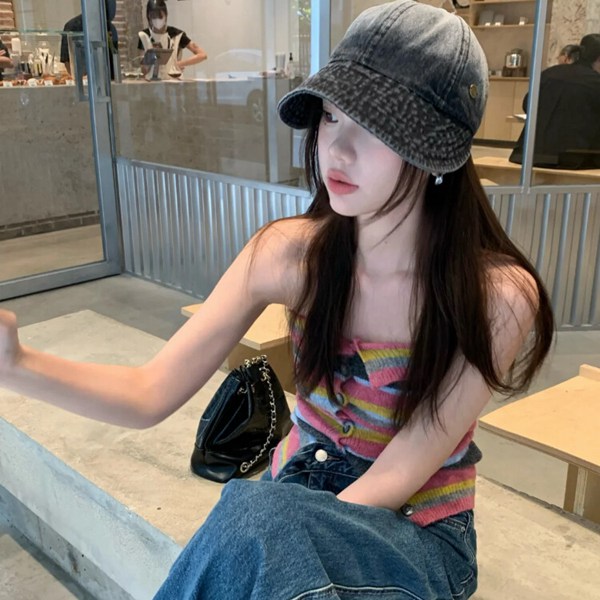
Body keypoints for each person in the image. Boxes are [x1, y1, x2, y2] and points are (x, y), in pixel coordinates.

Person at [0, 2, 555, 598]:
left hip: (415, 535)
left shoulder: (496, 297)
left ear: (436, 150)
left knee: (255, 514)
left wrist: (272, 538)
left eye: (373, 129)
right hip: (293, 495)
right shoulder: (289, 255)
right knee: (259, 516)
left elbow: (401, 471)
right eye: (331, 117)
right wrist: (16, 364)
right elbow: (148, 392)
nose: (336, 150)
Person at [509, 33, 600, 169]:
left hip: (527, 155)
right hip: (575, 160)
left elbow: (527, 105)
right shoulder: (595, 82)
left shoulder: (549, 73)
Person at [138, 0, 207, 80]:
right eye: (153, 17)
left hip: (174, 81)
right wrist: (150, 59)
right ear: (149, 17)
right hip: (152, 82)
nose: (157, 20)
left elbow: (202, 55)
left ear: (166, 15)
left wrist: (179, 64)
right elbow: (143, 71)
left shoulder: (177, 34)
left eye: (160, 17)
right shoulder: (144, 35)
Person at [59, 0, 118, 78]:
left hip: (108, 80)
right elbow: (68, 62)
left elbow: (114, 60)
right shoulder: (73, 26)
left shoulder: (110, 28)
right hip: (85, 81)